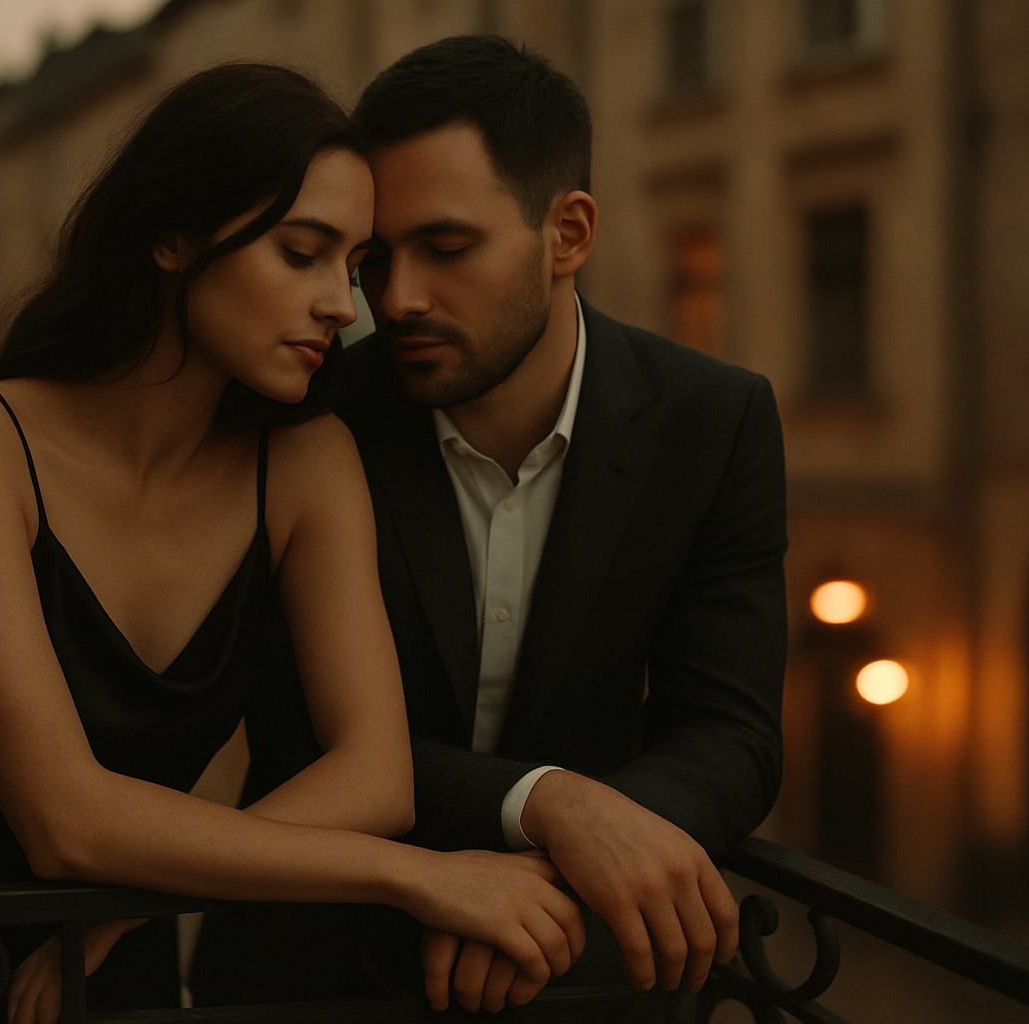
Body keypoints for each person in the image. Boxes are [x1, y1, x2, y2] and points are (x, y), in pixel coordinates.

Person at [0, 62, 585, 1024]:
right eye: (301, 254)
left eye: (351, 269)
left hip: (107, 970)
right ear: (173, 236)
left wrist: (132, 911)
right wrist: (422, 878)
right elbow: (66, 823)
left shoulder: (307, 463)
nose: (346, 308)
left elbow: (375, 777)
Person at [194, 36, 787, 1017]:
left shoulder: (714, 421)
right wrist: (547, 802)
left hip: (573, 981)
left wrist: (551, 889)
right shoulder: (310, 412)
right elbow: (300, 737)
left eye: (448, 247)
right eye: (376, 258)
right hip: (305, 974)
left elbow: (730, 731)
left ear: (570, 233)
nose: (395, 300)